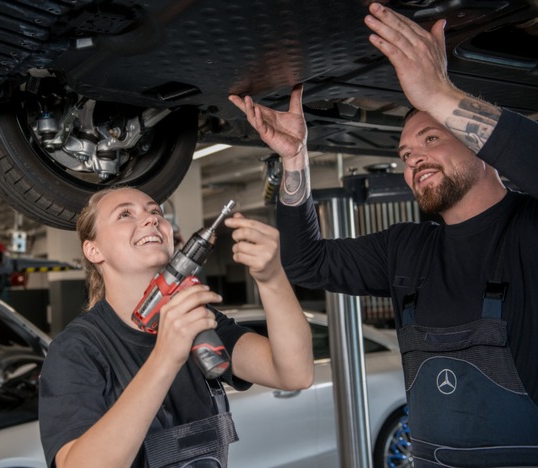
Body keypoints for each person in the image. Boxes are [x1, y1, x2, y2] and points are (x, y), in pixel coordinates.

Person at [230, 2, 538, 467]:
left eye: (431, 138)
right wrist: (296, 161)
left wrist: (438, 93)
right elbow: (306, 263)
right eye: (406, 153)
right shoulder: (406, 249)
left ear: (481, 146)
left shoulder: (528, 230)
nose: (413, 159)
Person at [38, 186, 314, 468]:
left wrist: (273, 278)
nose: (151, 219)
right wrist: (166, 357)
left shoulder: (197, 320)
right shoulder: (77, 349)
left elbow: (294, 373)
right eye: (124, 214)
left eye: (155, 211)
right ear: (93, 250)